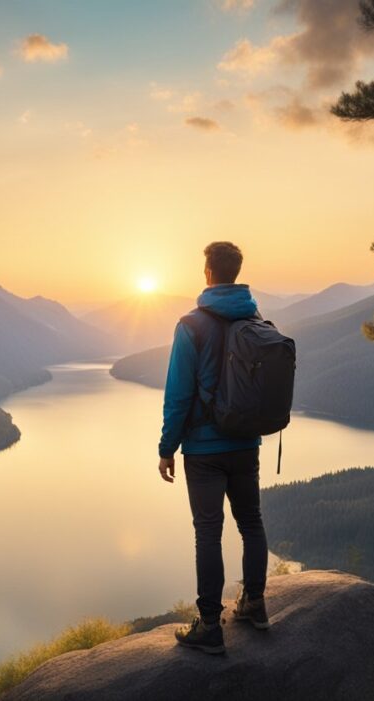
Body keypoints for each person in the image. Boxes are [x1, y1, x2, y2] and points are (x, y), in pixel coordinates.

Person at [158, 241, 271, 655]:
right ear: (236, 272)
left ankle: (209, 625)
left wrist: (167, 447)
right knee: (251, 522)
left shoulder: (191, 324)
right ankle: (255, 605)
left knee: (208, 532)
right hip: (246, 443)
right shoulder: (255, 318)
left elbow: (178, 394)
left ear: (207, 273)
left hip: (204, 450)